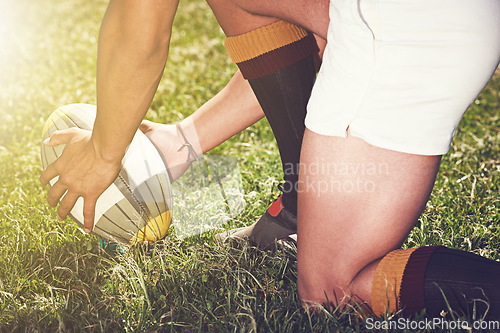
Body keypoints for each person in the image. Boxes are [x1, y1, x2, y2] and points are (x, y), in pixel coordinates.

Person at [40, 0, 500, 319]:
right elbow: (321, 30)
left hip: (409, 31)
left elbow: (136, 33)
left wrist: (103, 152)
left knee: (329, 291)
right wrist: (181, 142)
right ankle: (301, 208)